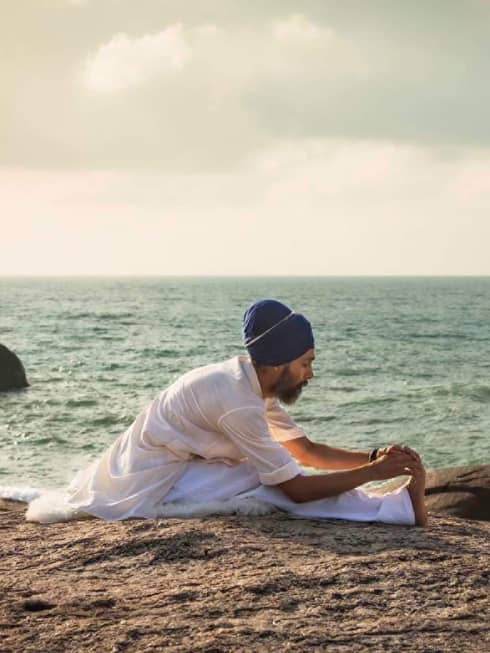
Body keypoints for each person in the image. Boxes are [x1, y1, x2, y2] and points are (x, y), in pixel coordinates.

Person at [65, 299, 428, 526]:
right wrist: (374, 474)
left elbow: (306, 450)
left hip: (173, 469)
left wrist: (372, 458)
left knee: (269, 474)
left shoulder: (252, 383)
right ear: (276, 363)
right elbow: (296, 489)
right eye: (305, 363)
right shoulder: (238, 401)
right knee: (265, 483)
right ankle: (395, 510)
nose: (310, 374)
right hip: (148, 482)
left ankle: (395, 507)